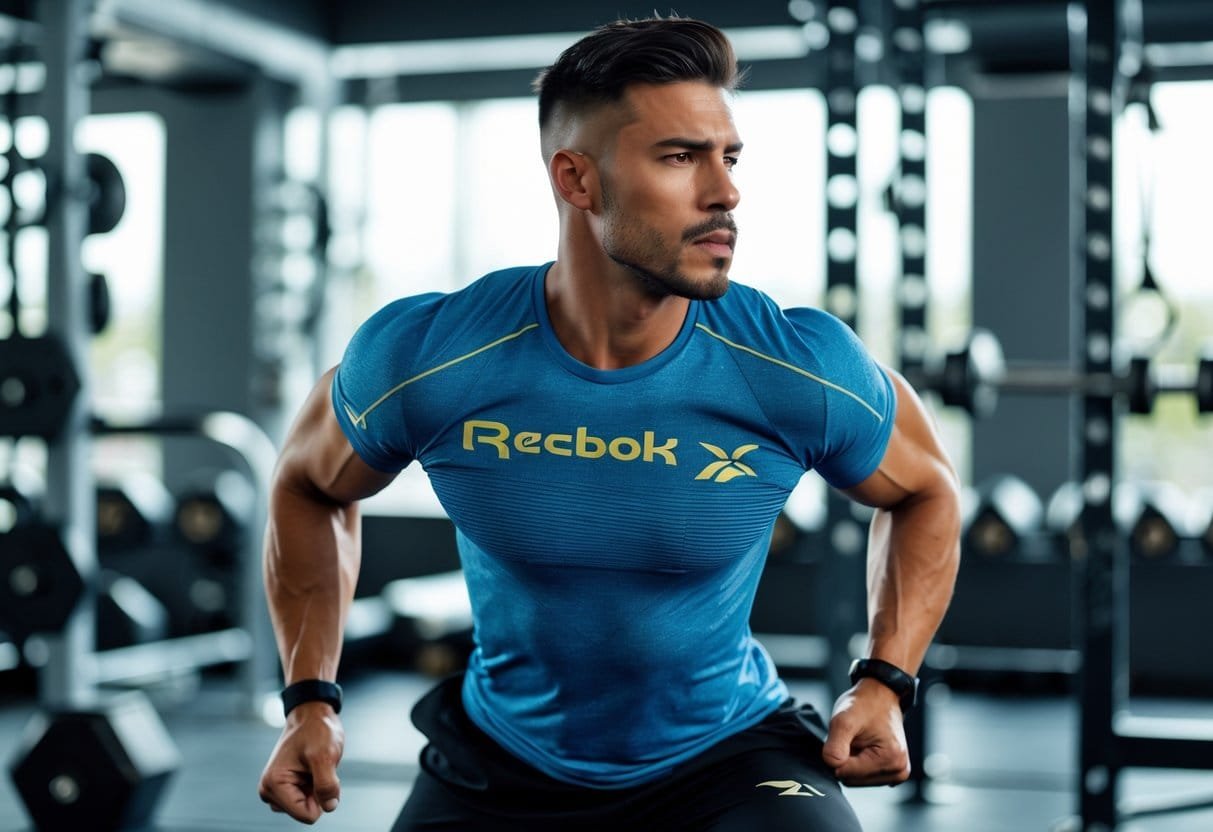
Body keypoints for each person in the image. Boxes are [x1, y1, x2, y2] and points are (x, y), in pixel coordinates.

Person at [258, 15, 960, 831]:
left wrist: (884, 682)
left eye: (728, 158)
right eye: (679, 157)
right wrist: (309, 700)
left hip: (726, 755)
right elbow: (308, 484)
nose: (724, 192)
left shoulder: (793, 364)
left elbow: (927, 490)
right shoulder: (430, 356)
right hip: (499, 762)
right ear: (577, 179)